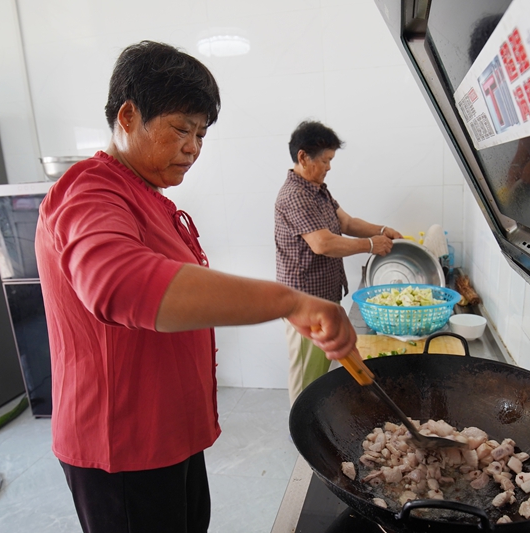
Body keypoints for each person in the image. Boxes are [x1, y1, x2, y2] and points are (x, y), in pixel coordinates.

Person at [35, 41, 357, 533]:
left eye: (201, 134)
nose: (193, 148)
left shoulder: (145, 193)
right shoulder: (89, 190)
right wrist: (288, 300)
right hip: (122, 444)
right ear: (128, 116)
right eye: (181, 129)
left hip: (167, 432)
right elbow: (121, 284)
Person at [274, 120, 402, 405]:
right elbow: (323, 243)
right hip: (304, 302)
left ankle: (313, 417)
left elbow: (347, 222)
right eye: (326, 160)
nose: (329, 167)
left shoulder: (318, 190)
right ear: (303, 157)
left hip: (322, 299)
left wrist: (381, 231)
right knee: (306, 375)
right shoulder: (295, 195)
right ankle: (300, 424)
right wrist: (371, 245)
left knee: (319, 371)